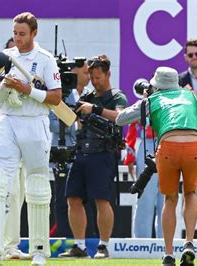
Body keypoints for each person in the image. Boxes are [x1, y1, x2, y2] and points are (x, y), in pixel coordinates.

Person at [0, 12, 62, 266]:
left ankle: (39, 251)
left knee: (36, 186)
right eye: (15, 33)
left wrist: (28, 89)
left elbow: (56, 97)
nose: (17, 38)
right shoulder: (7, 58)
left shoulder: (46, 59)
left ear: (34, 33)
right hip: (8, 122)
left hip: (35, 124)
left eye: (22, 34)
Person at [116, 66, 197, 266]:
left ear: (155, 85)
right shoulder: (190, 96)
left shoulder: (151, 100)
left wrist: (144, 100)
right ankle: (189, 243)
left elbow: (121, 119)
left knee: (170, 199)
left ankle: (168, 253)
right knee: (191, 193)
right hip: (194, 144)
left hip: (168, 146)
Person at [59, 55, 127, 259]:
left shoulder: (117, 96)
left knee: (101, 200)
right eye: (92, 77)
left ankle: (103, 246)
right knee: (73, 198)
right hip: (82, 151)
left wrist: (95, 109)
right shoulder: (87, 96)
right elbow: (72, 119)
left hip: (103, 153)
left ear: (108, 74)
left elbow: (121, 117)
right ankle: (79, 245)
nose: (95, 81)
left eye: (99, 77)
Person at [49, 60, 90, 237]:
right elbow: (51, 123)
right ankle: (62, 234)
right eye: (85, 72)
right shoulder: (55, 93)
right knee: (60, 198)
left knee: (79, 198)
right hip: (58, 149)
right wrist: (74, 124)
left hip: (77, 151)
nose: (87, 77)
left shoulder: (81, 94)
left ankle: (81, 237)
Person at [0, 107, 30, 260]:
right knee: (7, 197)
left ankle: (11, 246)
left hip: (22, 153)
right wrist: (19, 121)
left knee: (18, 199)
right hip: (5, 154)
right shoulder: (0, 94)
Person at [124, 122, 163, 238]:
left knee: (168, 200)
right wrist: (130, 154)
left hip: (172, 143)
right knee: (145, 197)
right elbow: (133, 123)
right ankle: (141, 242)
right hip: (149, 144)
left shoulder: (180, 103)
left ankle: (166, 243)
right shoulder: (145, 103)